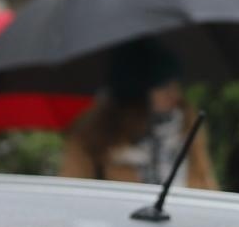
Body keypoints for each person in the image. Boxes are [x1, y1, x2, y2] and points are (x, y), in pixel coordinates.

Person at [58, 44, 219, 189]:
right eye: (164, 86)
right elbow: (71, 194)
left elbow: (207, 185)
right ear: (136, 92)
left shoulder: (187, 127)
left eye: (176, 85)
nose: (175, 95)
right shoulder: (92, 139)